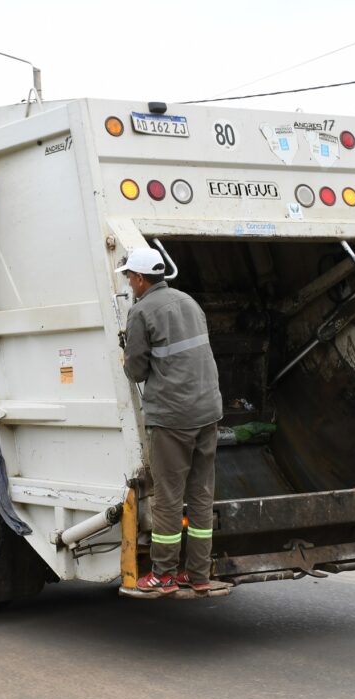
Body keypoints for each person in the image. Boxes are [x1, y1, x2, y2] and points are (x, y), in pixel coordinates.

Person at [117, 247, 223, 594]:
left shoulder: (141, 311)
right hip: (208, 411)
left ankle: (163, 574)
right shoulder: (189, 302)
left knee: (168, 498)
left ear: (141, 278)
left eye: (130, 276)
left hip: (174, 418)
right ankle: (199, 574)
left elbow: (135, 370)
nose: (129, 282)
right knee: (202, 495)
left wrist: (126, 353)